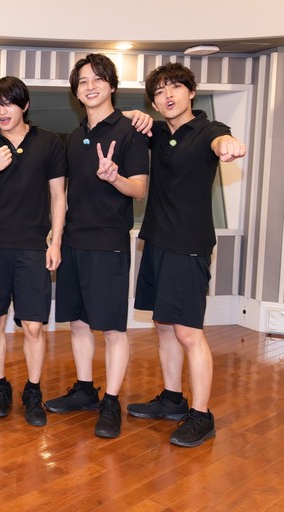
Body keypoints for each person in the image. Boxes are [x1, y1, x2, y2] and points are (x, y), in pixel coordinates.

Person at [129, 62, 246, 447]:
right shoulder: (159, 131)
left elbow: (223, 141)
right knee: (163, 324)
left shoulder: (208, 130)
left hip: (188, 246)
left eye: (175, 87)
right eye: (159, 91)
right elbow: (127, 120)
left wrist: (229, 146)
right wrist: (130, 115)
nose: (167, 96)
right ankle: (172, 399)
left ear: (191, 92)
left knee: (188, 332)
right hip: (156, 242)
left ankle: (201, 415)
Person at [45, 53, 149, 439]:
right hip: (74, 241)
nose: (90, 86)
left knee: (112, 329)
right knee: (78, 323)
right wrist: (56, 238)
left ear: (112, 85)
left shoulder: (130, 130)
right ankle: (85, 390)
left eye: (98, 79)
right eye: (83, 81)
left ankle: (111, 402)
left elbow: (139, 189)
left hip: (108, 243)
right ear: (76, 91)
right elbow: (64, 195)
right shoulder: (74, 137)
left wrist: (115, 177)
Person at [0, 76, 67, 426]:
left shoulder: (49, 142)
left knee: (34, 327)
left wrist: (56, 242)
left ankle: (33, 391)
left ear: (24, 105)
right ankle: (0, 387)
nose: (2, 111)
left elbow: (58, 195)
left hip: (32, 249)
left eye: (8, 103)